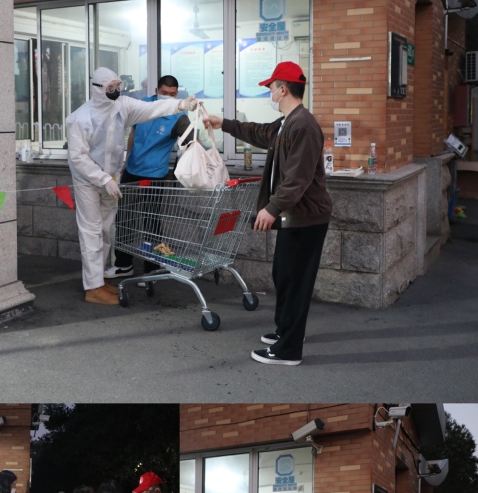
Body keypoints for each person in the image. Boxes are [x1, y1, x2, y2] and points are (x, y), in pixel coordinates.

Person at [204, 61, 332, 366]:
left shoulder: (303, 125)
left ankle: (288, 350)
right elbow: (259, 132)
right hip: (295, 215)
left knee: (295, 281)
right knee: (284, 275)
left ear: (283, 89)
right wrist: (224, 123)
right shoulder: (287, 122)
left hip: (306, 218)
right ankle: (286, 331)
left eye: (271, 88)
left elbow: (298, 178)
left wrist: (272, 208)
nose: (269, 93)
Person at [66, 66, 197, 305]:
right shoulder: (80, 118)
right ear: (98, 89)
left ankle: (99, 280)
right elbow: (77, 157)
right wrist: (103, 179)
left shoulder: (122, 105)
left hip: (112, 178)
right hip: (88, 180)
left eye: (118, 86)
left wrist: (180, 105)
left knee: (106, 230)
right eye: (110, 88)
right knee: (91, 231)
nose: (115, 91)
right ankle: (93, 287)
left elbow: (150, 109)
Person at [105, 74, 193, 279]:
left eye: (172, 94)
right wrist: (125, 162)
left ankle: (151, 267)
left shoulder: (179, 116)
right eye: (164, 93)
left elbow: (190, 142)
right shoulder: (144, 105)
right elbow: (133, 134)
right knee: (125, 219)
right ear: (156, 91)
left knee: (151, 222)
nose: (168, 97)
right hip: (132, 170)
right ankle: (123, 264)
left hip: (155, 175)